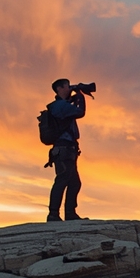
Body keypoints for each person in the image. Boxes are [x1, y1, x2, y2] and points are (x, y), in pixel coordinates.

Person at [46, 78, 90, 222]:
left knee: (74, 182)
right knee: (62, 180)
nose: (69, 88)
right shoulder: (59, 105)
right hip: (63, 149)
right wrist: (80, 96)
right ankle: (53, 214)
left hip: (68, 149)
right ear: (59, 88)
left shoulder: (63, 105)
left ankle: (70, 214)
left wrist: (74, 97)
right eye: (67, 86)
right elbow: (80, 112)